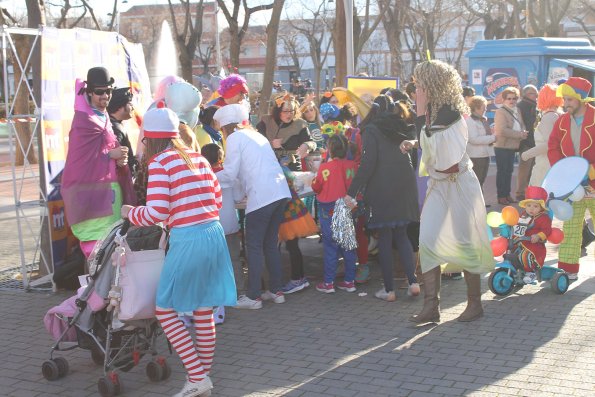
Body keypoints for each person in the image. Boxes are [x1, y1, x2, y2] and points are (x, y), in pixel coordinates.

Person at [121, 107, 236, 397]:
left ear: (150, 138)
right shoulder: (197, 157)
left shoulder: (161, 162)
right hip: (213, 234)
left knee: (165, 309)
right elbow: (217, 198)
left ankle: (197, 377)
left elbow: (157, 211)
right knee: (203, 308)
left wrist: (131, 212)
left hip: (188, 238)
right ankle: (201, 379)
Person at [401, 60, 493, 323]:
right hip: (439, 185)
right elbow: (431, 144)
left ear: (431, 85)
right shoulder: (432, 112)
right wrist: (415, 139)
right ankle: (431, 307)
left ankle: (475, 304)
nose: (415, 88)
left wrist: (419, 118)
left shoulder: (451, 114)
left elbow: (445, 159)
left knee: (465, 243)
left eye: (419, 83)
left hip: (458, 185)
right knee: (427, 241)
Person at [214, 104, 291, 309]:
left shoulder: (233, 139)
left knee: (254, 247)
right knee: (269, 245)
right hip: (280, 192)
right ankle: (276, 290)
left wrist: (207, 177)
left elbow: (230, 174)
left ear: (225, 128)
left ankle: (253, 296)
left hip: (262, 197)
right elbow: (241, 174)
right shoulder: (256, 135)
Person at [345, 95, 420, 302]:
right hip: (405, 186)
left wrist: (350, 192)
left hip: (382, 188)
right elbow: (413, 160)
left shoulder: (371, 130)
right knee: (402, 234)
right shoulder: (405, 126)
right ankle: (413, 282)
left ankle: (389, 290)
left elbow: (368, 163)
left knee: (385, 237)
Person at [61, 67, 136, 257]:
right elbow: (79, 163)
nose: (105, 96)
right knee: (97, 255)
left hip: (109, 197)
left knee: (112, 253)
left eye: (108, 91)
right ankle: (95, 288)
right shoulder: (84, 121)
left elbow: (103, 153)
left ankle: (104, 287)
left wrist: (119, 162)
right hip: (92, 201)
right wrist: (110, 156)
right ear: (89, 92)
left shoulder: (100, 117)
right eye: (99, 92)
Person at [548, 76, 595, 280]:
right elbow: (553, 146)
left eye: (569, 100)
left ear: (581, 99)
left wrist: (591, 171)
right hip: (572, 185)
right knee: (571, 227)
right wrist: (563, 170)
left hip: (593, 182)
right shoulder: (561, 121)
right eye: (564, 100)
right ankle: (568, 270)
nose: (565, 104)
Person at [311, 134, 358, 293]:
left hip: (328, 210)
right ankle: (349, 281)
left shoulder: (325, 168)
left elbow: (316, 187)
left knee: (330, 246)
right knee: (348, 246)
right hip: (346, 209)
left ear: (329, 150)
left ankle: (329, 283)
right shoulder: (352, 166)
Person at [202, 143, 246, 298]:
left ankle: (217, 293)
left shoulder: (200, 176)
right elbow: (238, 197)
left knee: (213, 262)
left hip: (209, 225)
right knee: (234, 259)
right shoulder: (229, 176)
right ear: (221, 158)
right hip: (230, 224)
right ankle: (238, 292)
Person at [521, 84, 563, 186]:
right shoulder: (560, 115)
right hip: (555, 163)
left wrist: (526, 155)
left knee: (539, 198)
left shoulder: (549, 117)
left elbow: (549, 144)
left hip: (546, 164)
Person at [494, 87, 528, 205]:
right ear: (504, 99)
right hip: (502, 146)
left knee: (509, 171)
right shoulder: (500, 112)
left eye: (514, 98)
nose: (512, 101)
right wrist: (519, 134)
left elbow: (522, 123)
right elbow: (501, 131)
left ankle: (507, 195)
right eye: (509, 98)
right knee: (502, 172)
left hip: (512, 146)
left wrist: (524, 131)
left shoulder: (517, 110)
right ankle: (501, 196)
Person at [512, 186, 552, 284]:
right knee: (511, 253)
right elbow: (518, 224)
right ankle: (516, 271)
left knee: (525, 255)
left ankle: (531, 272)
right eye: (529, 205)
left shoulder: (543, 217)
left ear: (541, 207)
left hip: (534, 244)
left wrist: (538, 236)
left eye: (535, 206)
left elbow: (547, 230)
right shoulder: (524, 214)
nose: (531, 209)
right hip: (520, 241)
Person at [465, 95, 496, 189]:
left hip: (484, 154)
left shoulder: (481, 119)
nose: (486, 109)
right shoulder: (470, 121)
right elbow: (473, 139)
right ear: (476, 107)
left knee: (481, 181)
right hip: (476, 156)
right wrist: (493, 138)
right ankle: (476, 203)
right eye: (484, 106)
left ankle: (480, 203)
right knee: (476, 181)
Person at [107, 87, 138, 175]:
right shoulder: (114, 127)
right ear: (120, 106)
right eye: (130, 104)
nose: (133, 108)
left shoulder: (114, 124)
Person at [516, 84, 539, 200]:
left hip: (535, 142)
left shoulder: (535, 105)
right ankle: (520, 193)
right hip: (526, 142)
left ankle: (529, 192)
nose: (535, 95)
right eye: (532, 93)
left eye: (536, 93)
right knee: (524, 169)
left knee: (533, 169)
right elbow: (527, 125)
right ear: (524, 94)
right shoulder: (522, 106)